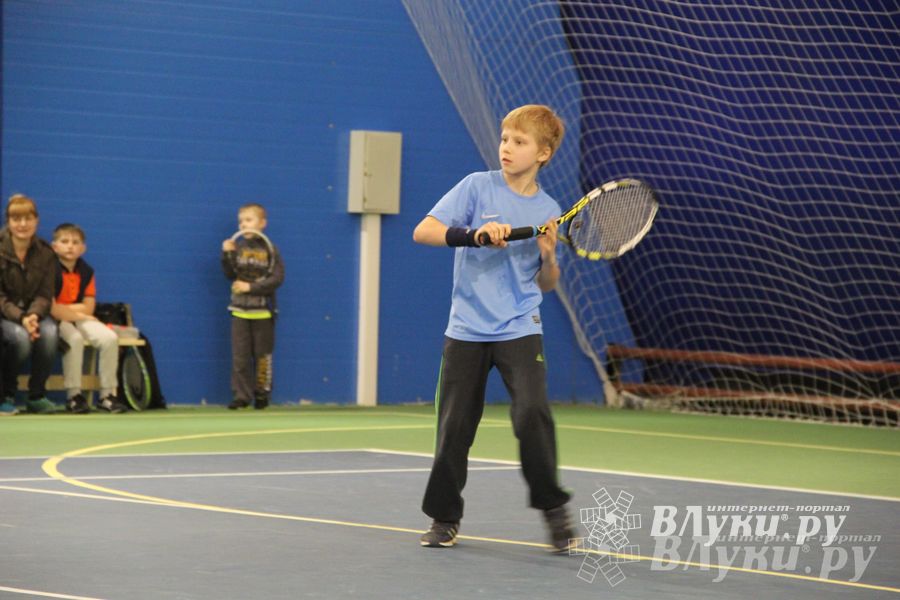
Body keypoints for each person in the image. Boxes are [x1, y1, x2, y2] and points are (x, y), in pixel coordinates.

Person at [412, 104, 575, 552]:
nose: (507, 147)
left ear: (542, 153)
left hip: (520, 326)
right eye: (505, 138)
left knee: (532, 415)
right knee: (455, 428)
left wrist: (548, 255)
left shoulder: (549, 209)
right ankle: (444, 517)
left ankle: (553, 510)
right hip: (465, 329)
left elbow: (545, 284)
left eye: (519, 142)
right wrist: (475, 235)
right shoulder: (475, 187)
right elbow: (423, 231)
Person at [50, 223, 126, 414]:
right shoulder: (48, 270)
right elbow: (53, 310)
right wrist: (79, 312)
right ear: (54, 246)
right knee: (74, 339)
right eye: (64, 241)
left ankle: (107, 395)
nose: (70, 246)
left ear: (83, 248)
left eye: (75, 242)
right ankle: (74, 396)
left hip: (81, 317)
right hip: (58, 320)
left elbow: (89, 306)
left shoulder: (87, 271)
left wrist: (76, 312)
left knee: (109, 338)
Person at [0, 194, 60, 414]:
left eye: (28, 218)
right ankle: (6, 394)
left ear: (37, 220)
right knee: (20, 338)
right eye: (16, 219)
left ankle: (36, 395)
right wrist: (21, 318)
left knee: (51, 332)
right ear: (8, 221)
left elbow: (46, 294)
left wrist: (33, 315)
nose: (23, 225)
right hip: (6, 315)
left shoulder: (46, 253)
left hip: (35, 314)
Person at [221, 203, 284, 410]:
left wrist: (251, 287)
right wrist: (227, 254)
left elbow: (276, 278)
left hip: (263, 312)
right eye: (241, 221)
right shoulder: (236, 247)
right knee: (240, 357)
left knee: (263, 357)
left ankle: (262, 395)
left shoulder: (270, 249)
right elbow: (230, 274)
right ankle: (241, 396)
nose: (244, 225)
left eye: (249, 220)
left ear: (262, 223)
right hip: (239, 311)